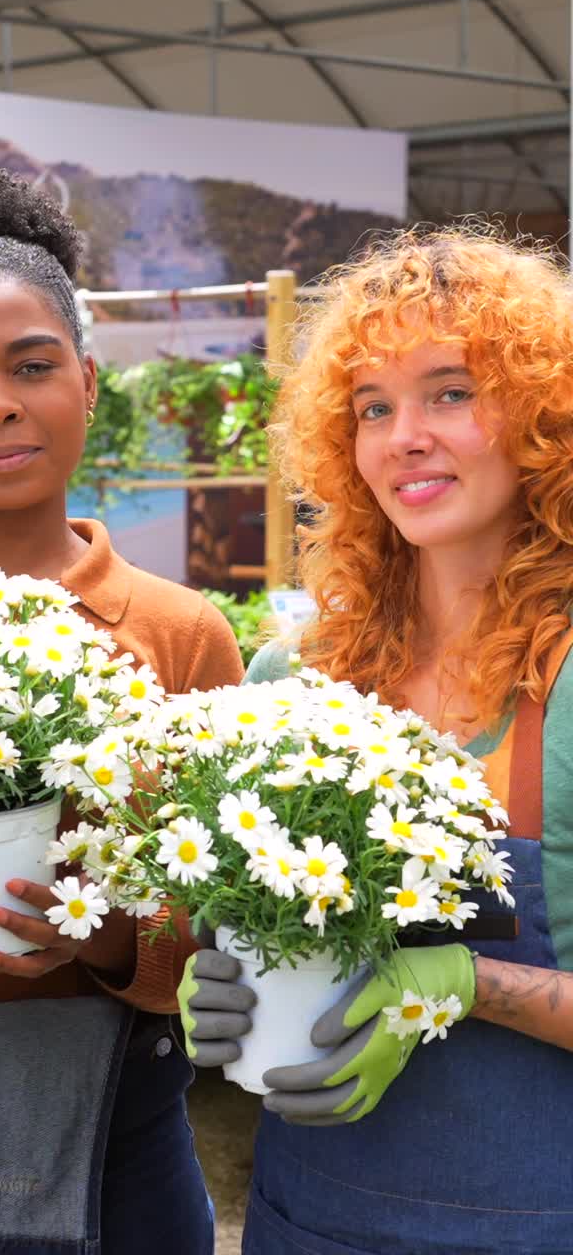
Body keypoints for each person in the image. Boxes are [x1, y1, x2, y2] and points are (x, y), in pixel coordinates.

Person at [0, 170, 244, 1255]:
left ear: (85, 374)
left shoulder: (181, 634)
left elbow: (216, 923)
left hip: (117, 1151)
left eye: (32, 365)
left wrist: (100, 929)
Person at [178, 225, 573, 1254]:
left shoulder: (564, 684)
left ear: (544, 416)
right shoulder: (299, 676)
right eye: (372, 406)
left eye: (451, 391)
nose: (405, 435)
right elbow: (245, 927)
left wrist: (467, 981)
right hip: (304, 1220)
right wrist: (218, 975)